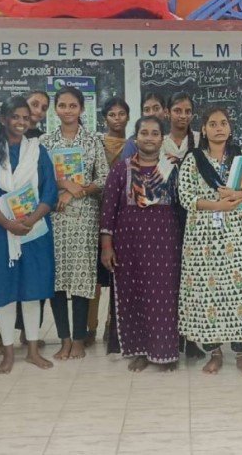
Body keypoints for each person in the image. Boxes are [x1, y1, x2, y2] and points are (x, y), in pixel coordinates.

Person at [177, 106, 242, 375]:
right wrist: (217, 205)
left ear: (230, 128)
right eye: (213, 124)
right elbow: (186, 196)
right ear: (204, 130)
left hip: (240, 236)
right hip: (203, 239)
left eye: (223, 123)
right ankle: (214, 353)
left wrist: (239, 195)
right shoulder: (193, 159)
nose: (219, 128)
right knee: (208, 294)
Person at [0, 96, 58, 374]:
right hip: (0, 232)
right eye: (15, 117)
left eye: (25, 117)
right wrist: (8, 224)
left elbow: (50, 192)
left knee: (33, 290)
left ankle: (32, 351)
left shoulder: (37, 151)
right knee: (5, 291)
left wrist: (31, 220)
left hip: (35, 231)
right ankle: (8, 352)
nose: (21, 122)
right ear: (3, 119)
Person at [100, 116, 183, 371]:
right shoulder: (121, 169)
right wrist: (107, 245)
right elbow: (108, 209)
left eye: (154, 133)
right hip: (129, 246)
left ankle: (166, 351)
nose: (149, 137)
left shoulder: (173, 167)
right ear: (135, 138)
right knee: (133, 296)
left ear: (162, 138)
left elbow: (184, 205)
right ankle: (140, 351)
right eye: (144, 133)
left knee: (165, 297)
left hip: (165, 244)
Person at [40, 88, 109, 360]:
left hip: (84, 218)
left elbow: (103, 178)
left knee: (81, 279)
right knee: (56, 280)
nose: (67, 110)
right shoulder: (45, 142)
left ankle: (79, 339)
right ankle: (64, 339)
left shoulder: (93, 140)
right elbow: (39, 177)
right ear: (55, 109)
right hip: (54, 217)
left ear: (81, 109)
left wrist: (75, 191)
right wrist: (63, 183)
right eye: (62, 105)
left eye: (73, 105)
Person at [96, 96, 131, 354]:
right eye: (112, 114)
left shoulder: (135, 143)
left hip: (124, 214)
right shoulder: (97, 143)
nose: (117, 119)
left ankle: (114, 326)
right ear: (104, 118)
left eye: (122, 114)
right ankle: (89, 328)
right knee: (96, 276)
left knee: (118, 271)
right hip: (95, 209)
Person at [121, 92, 170, 161]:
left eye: (156, 109)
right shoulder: (133, 142)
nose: (151, 113)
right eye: (147, 110)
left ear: (165, 111)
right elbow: (125, 166)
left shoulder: (172, 139)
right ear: (142, 114)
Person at [163, 92, 201, 164]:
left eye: (188, 111)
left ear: (192, 115)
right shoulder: (160, 143)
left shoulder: (200, 139)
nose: (183, 116)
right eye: (177, 111)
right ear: (167, 112)